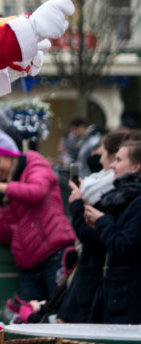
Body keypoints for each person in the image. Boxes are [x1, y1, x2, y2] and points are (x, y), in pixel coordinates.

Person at [0, 123, 75, 301]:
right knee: (30, 317)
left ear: (11, 156)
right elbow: (7, 234)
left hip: (54, 255)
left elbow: (37, 192)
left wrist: (0, 187)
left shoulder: (34, 164)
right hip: (29, 265)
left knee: (60, 313)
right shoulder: (5, 188)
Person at [60, 127, 134, 322]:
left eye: (118, 160)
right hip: (100, 281)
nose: (104, 161)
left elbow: (111, 241)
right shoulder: (114, 192)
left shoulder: (121, 196)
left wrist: (79, 206)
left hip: (104, 281)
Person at [82, 138, 141, 323]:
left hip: (127, 302)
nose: (112, 165)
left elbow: (123, 245)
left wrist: (101, 221)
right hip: (116, 297)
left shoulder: (136, 201)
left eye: (119, 160)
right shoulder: (120, 198)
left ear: (136, 167)